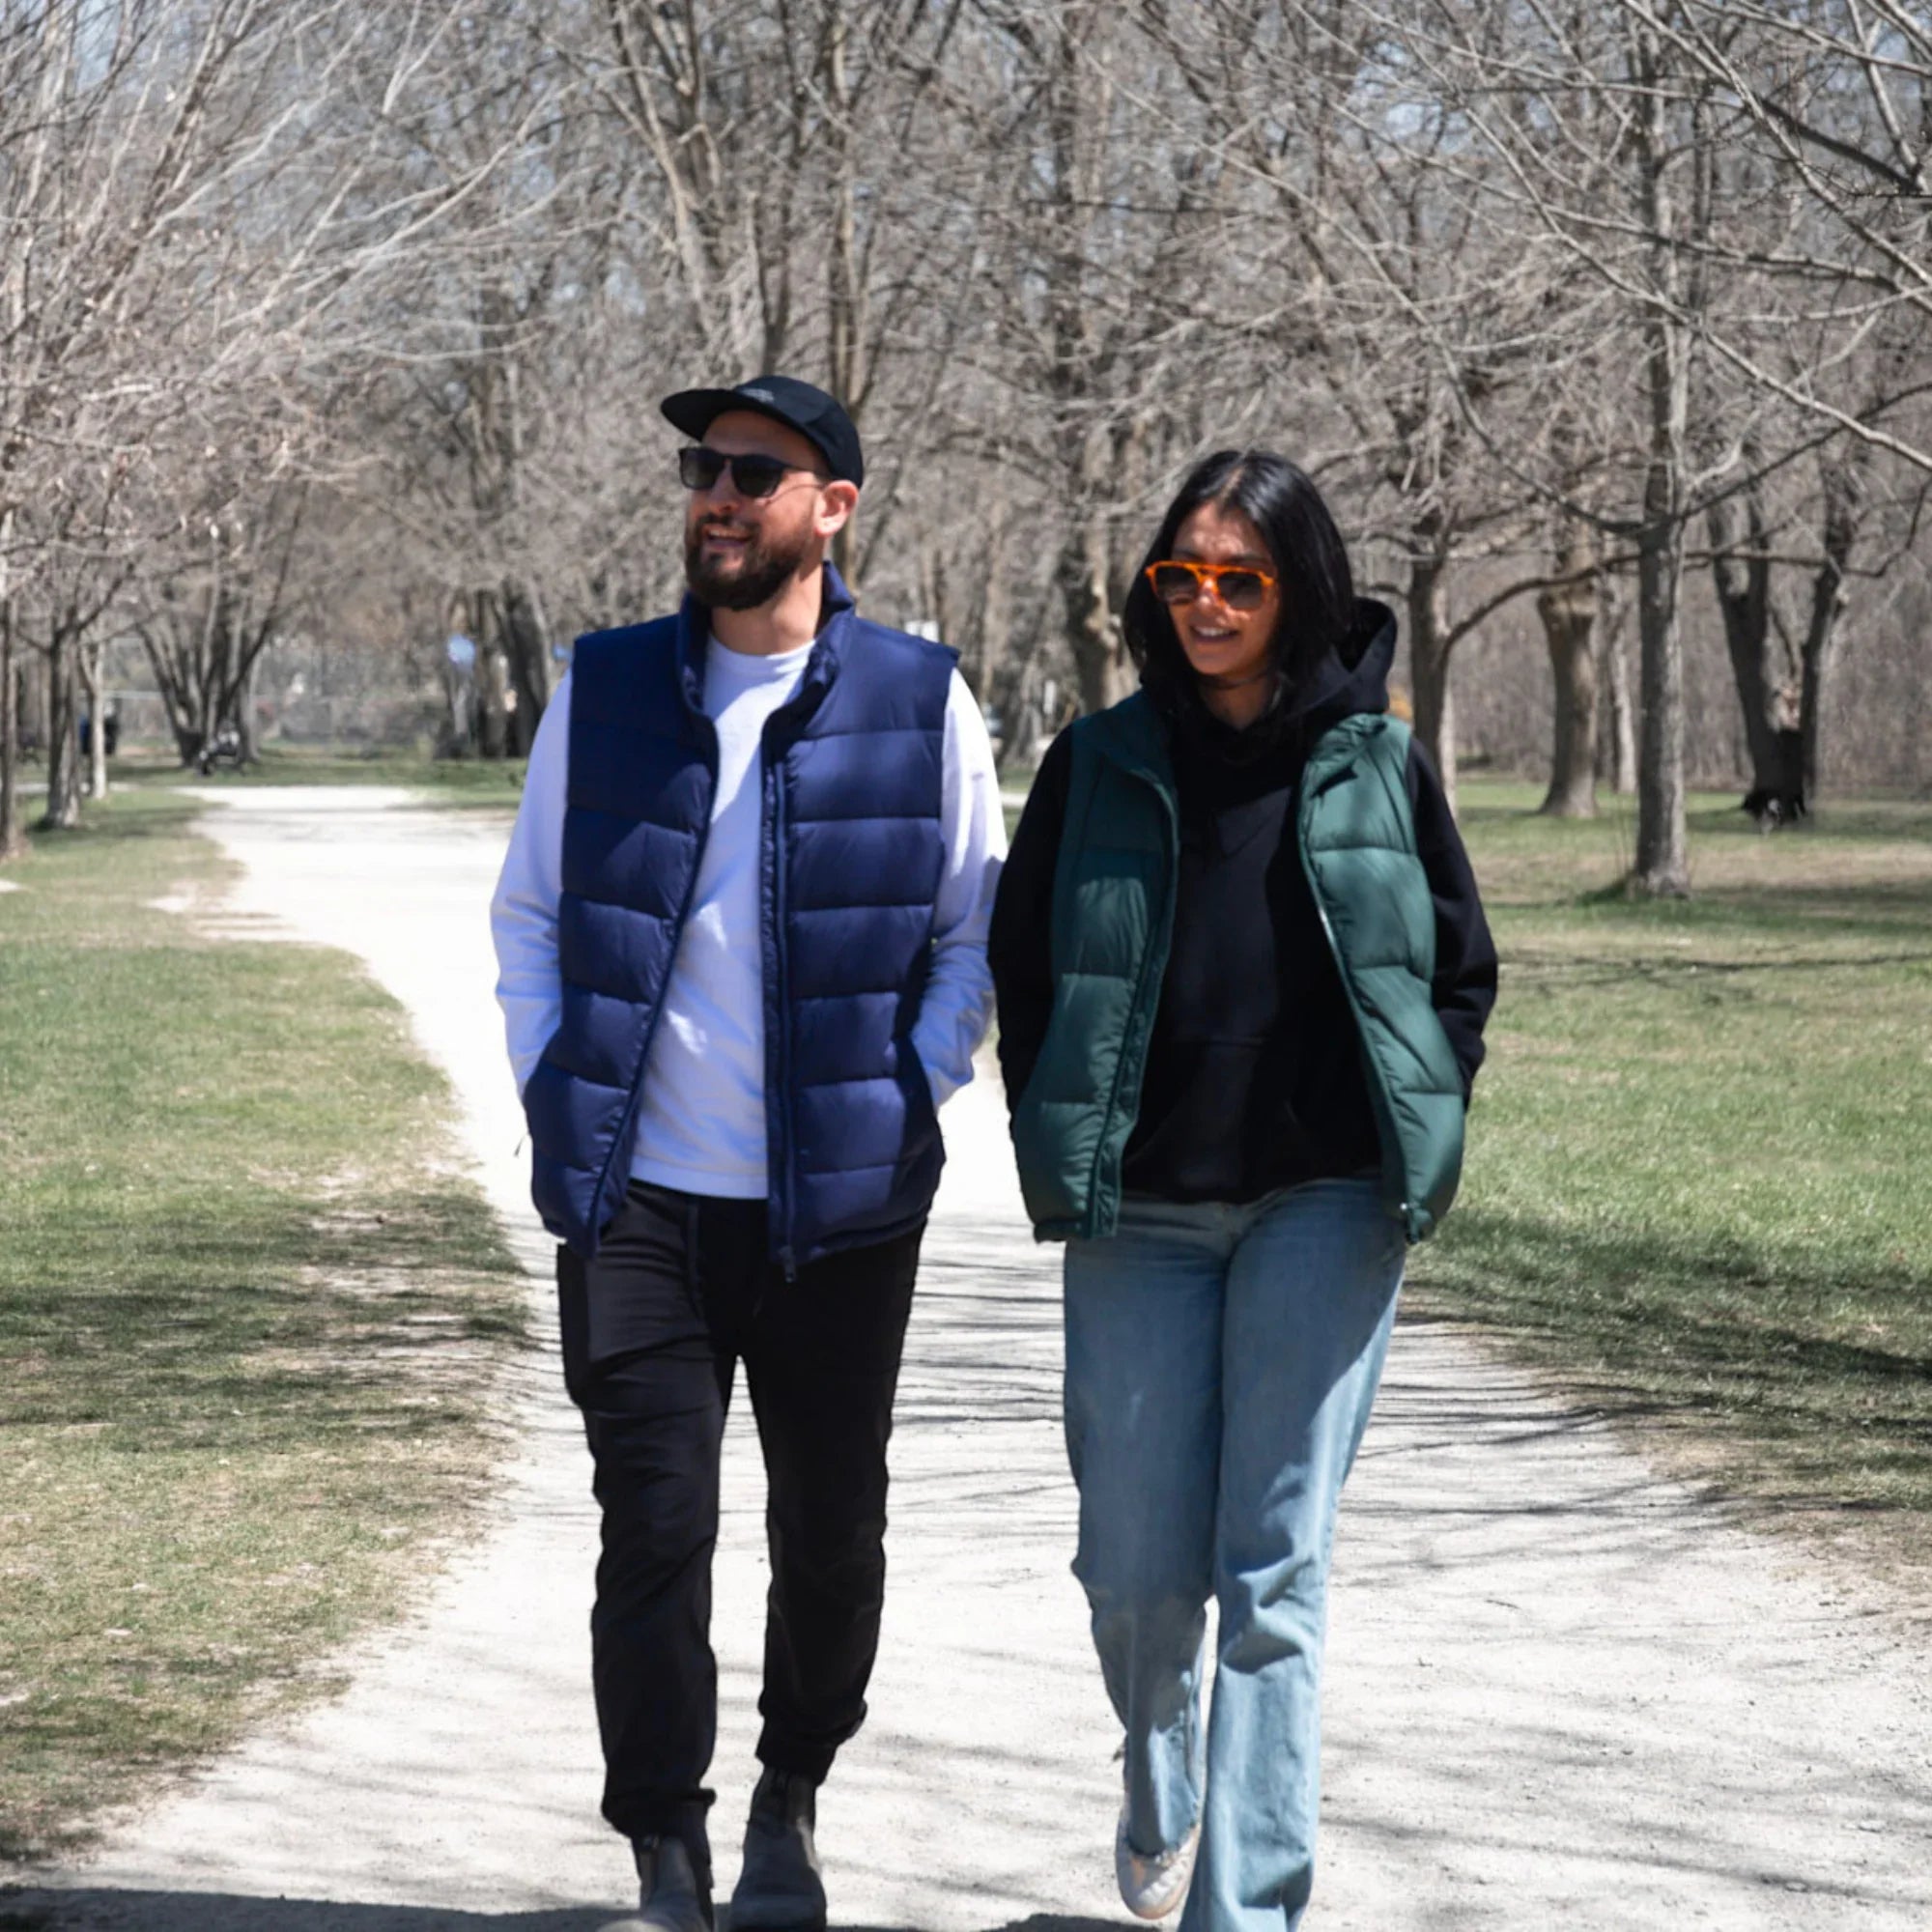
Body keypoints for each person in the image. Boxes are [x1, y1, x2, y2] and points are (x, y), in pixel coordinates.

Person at [491, 376, 1005, 1932]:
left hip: (839, 1207)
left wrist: (904, 1089)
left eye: (753, 474)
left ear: (831, 509)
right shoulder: (609, 685)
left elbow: (972, 935)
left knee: (831, 1524)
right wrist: (551, 1080)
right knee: (655, 1523)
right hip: (637, 1199)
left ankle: (791, 1797)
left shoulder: (923, 700)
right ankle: (665, 1841)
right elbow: (529, 913)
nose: (716, 495)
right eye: (704, 470)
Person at [988, 449, 1496, 1931]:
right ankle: (1161, 1775)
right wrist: (1051, 1107)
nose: (1208, 603)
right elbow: (1028, 964)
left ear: (1300, 588)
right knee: (1138, 1570)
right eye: (1183, 577)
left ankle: (1248, 1909)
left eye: (1241, 578)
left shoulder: (1377, 761)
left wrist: (1423, 1099)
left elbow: (1456, 963)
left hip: (1322, 1206)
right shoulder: (1098, 759)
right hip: (1140, 1216)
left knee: (1273, 1573)